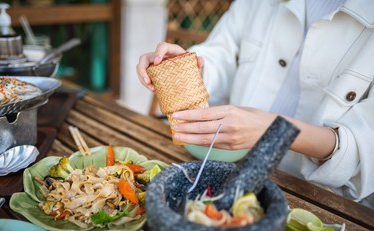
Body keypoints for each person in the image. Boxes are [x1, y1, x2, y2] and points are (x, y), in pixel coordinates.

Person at [136, 0, 374, 209]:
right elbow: (222, 52)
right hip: (232, 166)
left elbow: (365, 146)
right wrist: (182, 72)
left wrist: (273, 130)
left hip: (324, 198)